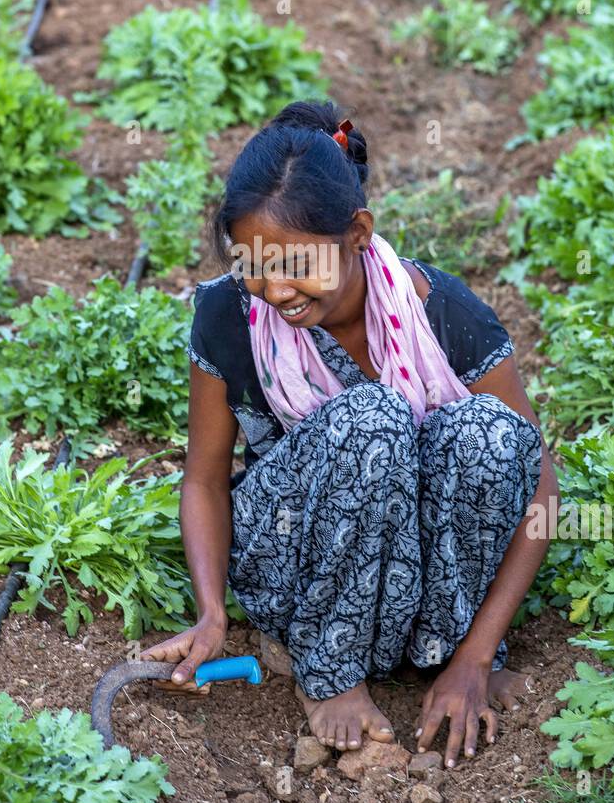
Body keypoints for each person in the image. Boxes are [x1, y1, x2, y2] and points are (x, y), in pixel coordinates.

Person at [139, 101, 559, 768]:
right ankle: (330, 668)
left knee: (495, 437)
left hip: (418, 581)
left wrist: (477, 659)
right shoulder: (229, 313)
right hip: (294, 561)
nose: (274, 291)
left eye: (296, 264)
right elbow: (204, 478)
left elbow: (541, 491)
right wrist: (213, 613)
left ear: (358, 233)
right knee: (374, 418)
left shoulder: (441, 312)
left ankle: (443, 655)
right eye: (254, 265)